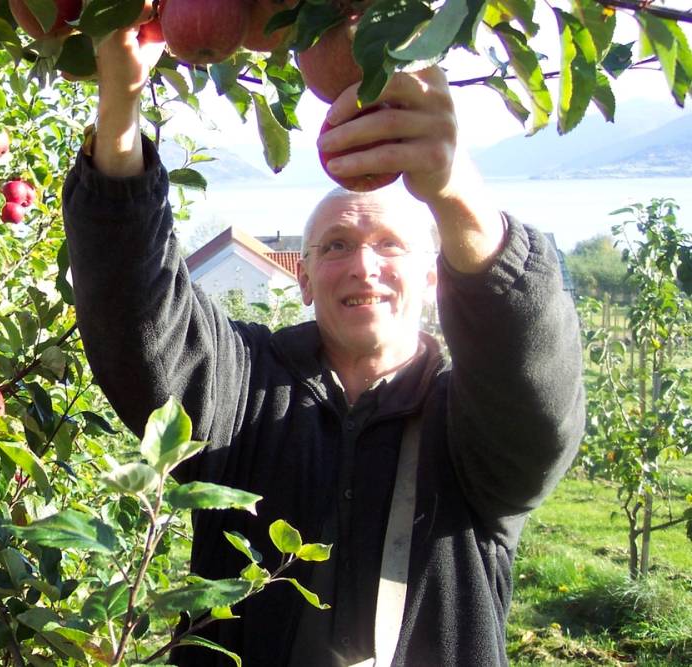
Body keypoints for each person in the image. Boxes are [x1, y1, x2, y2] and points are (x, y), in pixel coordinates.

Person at [62, 20, 585, 667]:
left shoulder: (471, 429)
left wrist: (456, 192)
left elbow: (536, 395)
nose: (363, 266)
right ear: (303, 277)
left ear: (430, 276)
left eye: (390, 244)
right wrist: (121, 101)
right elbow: (137, 318)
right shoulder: (245, 390)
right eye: (336, 245)